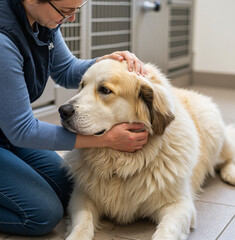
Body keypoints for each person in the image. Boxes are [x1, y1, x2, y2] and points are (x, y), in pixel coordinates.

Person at [0, 0, 149, 236]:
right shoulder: (3, 43)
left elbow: (66, 70)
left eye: (77, 10)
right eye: (66, 11)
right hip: (13, 132)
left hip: (5, 133)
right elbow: (23, 131)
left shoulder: (42, 19)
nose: (71, 19)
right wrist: (106, 139)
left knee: (70, 185)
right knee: (42, 214)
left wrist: (104, 64)